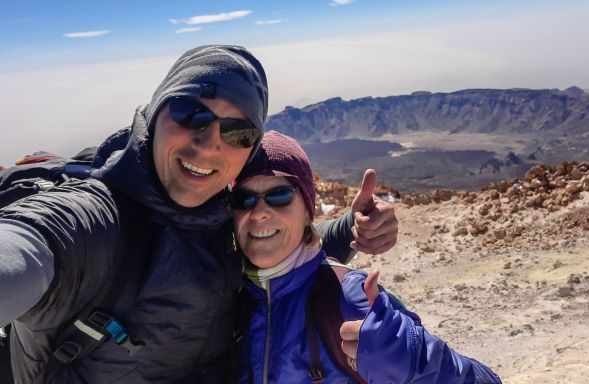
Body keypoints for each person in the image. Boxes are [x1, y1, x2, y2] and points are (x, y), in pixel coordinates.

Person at [0, 45, 398, 383]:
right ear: (155, 115)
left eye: (237, 133)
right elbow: (26, 246)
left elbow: (277, 250)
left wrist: (351, 228)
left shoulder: (225, 215)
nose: (208, 145)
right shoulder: (95, 222)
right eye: (191, 114)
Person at [231, 131, 502, 383]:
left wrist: (416, 362)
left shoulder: (350, 298)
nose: (259, 213)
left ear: (307, 212)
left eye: (279, 195)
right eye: (244, 199)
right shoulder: (227, 296)